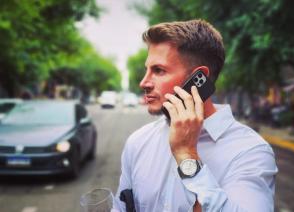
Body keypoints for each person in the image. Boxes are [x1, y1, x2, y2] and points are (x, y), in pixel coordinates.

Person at [113, 19, 278, 212]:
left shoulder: (251, 152)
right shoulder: (138, 141)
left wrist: (186, 155)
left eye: (158, 70)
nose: (144, 82)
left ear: (198, 79)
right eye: (147, 70)